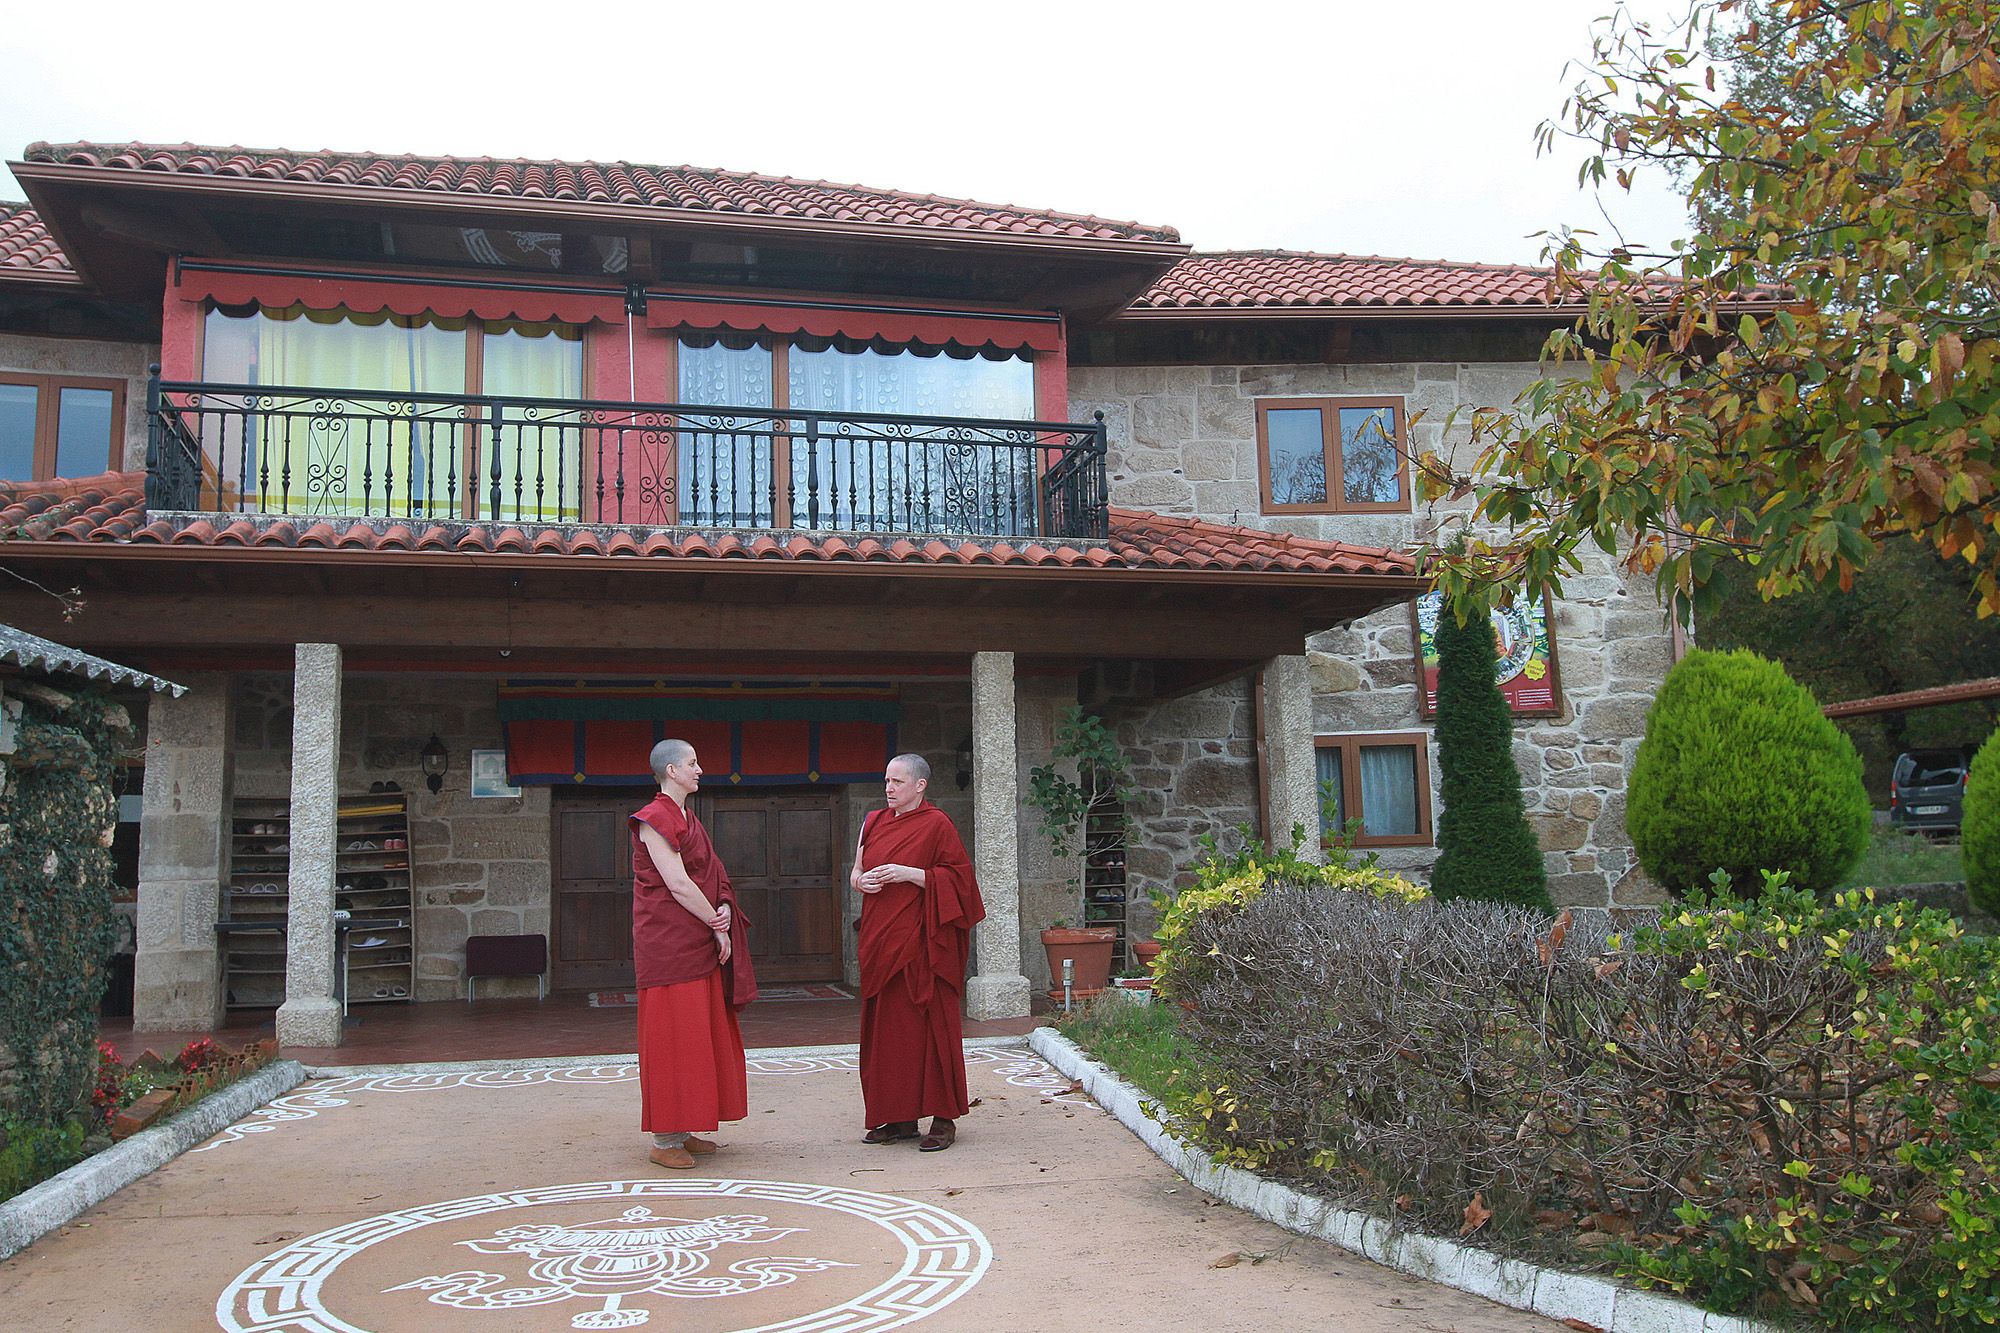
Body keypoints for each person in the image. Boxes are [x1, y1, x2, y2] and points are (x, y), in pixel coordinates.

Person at [630, 738, 756, 1168]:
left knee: (698, 1037)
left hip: (697, 935)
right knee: (672, 1038)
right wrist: (717, 923)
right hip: (669, 945)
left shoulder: (686, 816)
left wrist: (721, 911)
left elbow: (712, 874)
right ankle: (664, 1140)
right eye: (692, 763)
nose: (700, 769)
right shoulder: (652, 819)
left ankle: (684, 1129)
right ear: (671, 771)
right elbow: (678, 883)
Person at [852, 753, 985, 1152]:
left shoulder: (937, 825)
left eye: (897, 782)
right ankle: (899, 1117)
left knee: (932, 1029)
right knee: (890, 1034)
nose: (889, 789)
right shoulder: (872, 822)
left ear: (920, 785)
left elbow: (962, 884)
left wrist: (910, 874)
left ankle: (943, 1119)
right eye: (887, 781)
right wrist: (863, 884)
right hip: (882, 941)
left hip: (924, 947)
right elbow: (856, 873)